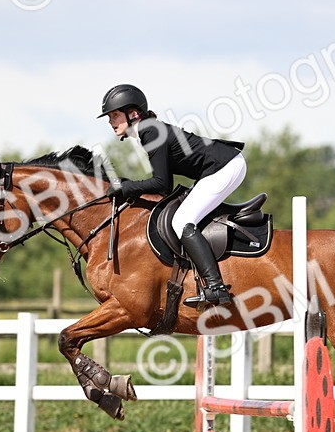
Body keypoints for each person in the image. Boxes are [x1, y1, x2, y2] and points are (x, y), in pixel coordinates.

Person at [98, 83, 245, 306]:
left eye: (115, 115)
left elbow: (162, 184)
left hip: (225, 167)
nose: (111, 121)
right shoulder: (148, 130)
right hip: (219, 167)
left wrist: (125, 187)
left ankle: (216, 287)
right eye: (109, 117)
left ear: (133, 113)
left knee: (182, 221)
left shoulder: (150, 132)